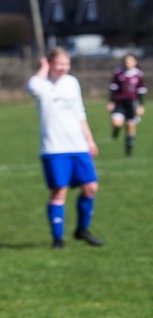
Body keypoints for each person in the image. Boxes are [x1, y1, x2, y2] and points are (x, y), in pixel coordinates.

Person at [27, 47, 104, 248]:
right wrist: (43, 69)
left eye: (66, 64)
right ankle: (57, 239)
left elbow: (80, 113)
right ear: (50, 64)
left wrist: (89, 139)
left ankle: (82, 229)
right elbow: (32, 87)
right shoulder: (41, 84)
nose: (63, 68)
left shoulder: (72, 83)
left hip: (77, 145)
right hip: (54, 148)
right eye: (59, 64)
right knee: (59, 191)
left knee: (91, 188)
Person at [107, 53, 148, 156]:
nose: (128, 63)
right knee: (117, 123)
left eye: (130, 60)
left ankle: (128, 150)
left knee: (130, 125)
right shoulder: (118, 73)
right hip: (120, 102)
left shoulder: (138, 75)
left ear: (135, 62)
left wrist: (141, 105)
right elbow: (113, 89)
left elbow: (141, 91)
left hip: (132, 103)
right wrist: (111, 102)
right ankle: (116, 131)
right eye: (126, 61)